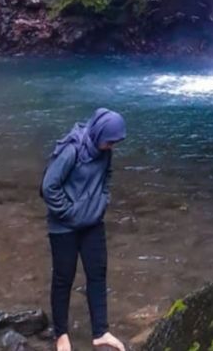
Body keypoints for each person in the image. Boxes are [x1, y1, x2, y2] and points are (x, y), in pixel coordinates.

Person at [40, 107, 127, 351]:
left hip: (92, 223)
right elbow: (49, 187)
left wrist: (102, 202)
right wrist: (69, 212)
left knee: (97, 275)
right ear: (99, 133)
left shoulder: (104, 151)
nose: (112, 146)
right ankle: (61, 335)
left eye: (114, 142)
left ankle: (101, 332)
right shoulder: (72, 150)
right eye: (110, 141)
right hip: (63, 226)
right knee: (63, 278)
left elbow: (106, 178)